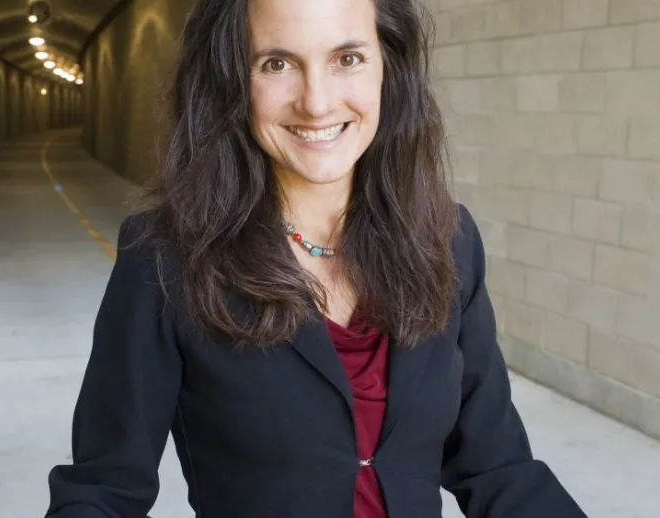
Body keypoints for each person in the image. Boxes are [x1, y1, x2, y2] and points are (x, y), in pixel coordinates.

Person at [44, 0, 588, 516]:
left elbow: (496, 465)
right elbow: (103, 489)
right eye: (276, 63)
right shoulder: (166, 259)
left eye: (347, 58)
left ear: (387, 68)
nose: (317, 102)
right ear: (230, 80)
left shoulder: (447, 239)